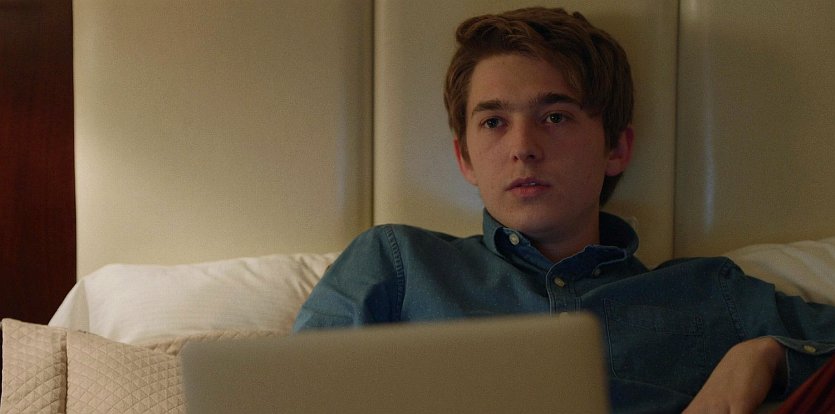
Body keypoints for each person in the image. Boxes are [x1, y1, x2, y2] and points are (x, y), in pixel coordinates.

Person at [293, 7, 835, 413]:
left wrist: (765, 353)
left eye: (555, 117)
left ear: (616, 148)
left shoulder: (709, 294)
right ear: (465, 158)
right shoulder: (396, 264)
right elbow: (292, 392)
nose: (522, 147)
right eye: (493, 122)